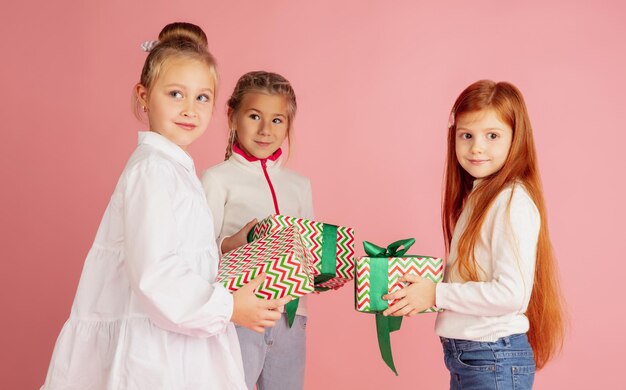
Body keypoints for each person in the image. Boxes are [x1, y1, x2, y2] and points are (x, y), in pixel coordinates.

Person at [40, 22, 289, 390]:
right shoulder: (153, 171)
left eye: (202, 98)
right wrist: (230, 307)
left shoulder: (173, 168)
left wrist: (224, 250)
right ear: (144, 96)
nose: (190, 109)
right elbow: (155, 273)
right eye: (175, 94)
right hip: (159, 351)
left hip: (177, 338)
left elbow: (176, 255)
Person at [383, 80, 565, 389]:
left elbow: (511, 294)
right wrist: (420, 287)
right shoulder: (481, 197)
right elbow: (473, 277)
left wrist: (435, 293)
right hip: (474, 357)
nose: (476, 147)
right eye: (466, 135)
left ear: (516, 140)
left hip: (491, 357)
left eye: (492, 136)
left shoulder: (511, 200)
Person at [201, 70, 313, 390]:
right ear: (232, 117)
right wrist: (231, 243)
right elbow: (197, 250)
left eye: (277, 120)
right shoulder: (216, 179)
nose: (266, 130)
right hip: (237, 315)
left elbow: (311, 254)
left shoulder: (300, 185)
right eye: (254, 116)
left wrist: (330, 269)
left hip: (292, 318)